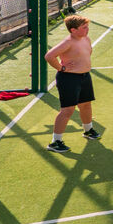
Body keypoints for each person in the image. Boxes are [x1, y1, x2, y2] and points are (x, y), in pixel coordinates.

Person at [44, 15, 99, 153]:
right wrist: (61, 68)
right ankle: (55, 142)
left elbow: (87, 53)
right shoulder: (67, 42)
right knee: (67, 110)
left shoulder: (86, 39)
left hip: (84, 77)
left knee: (85, 105)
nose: (87, 29)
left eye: (87, 27)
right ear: (73, 30)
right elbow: (49, 56)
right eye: (84, 27)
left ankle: (88, 130)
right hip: (69, 79)